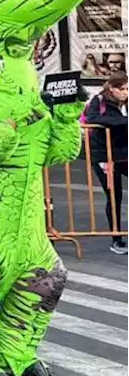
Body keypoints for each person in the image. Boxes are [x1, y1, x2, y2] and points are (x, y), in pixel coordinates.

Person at [82, 72, 129, 254]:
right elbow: (93, 119)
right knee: (114, 195)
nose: (125, 93)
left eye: (127, 89)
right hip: (105, 155)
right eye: (122, 89)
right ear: (112, 89)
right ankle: (116, 239)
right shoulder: (99, 101)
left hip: (125, 153)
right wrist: (124, 121)